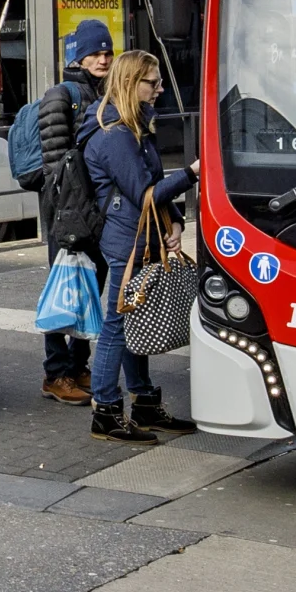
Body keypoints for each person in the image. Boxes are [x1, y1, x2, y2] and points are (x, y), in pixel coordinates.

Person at [85, 51, 199, 443]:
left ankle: (145, 404)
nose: (161, 89)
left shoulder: (133, 126)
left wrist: (176, 220)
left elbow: (151, 185)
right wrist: (192, 174)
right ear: (132, 83)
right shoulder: (115, 135)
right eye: (153, 82)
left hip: (138, 237)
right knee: (117, 326)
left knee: (132, 320)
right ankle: (106, 412)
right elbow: (145, 192)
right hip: (125, 243)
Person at [27, 19, 116, 403]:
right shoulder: (60, 96)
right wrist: (71, 217)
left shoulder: (107, 93)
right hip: (70, 214)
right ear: (79, 56)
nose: (103, 58)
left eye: (108, 52)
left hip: (96, 212)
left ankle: (79, 366)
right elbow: (56, 167)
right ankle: (56, 372)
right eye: (96, 52)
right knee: (65, 290)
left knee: (90, 293)